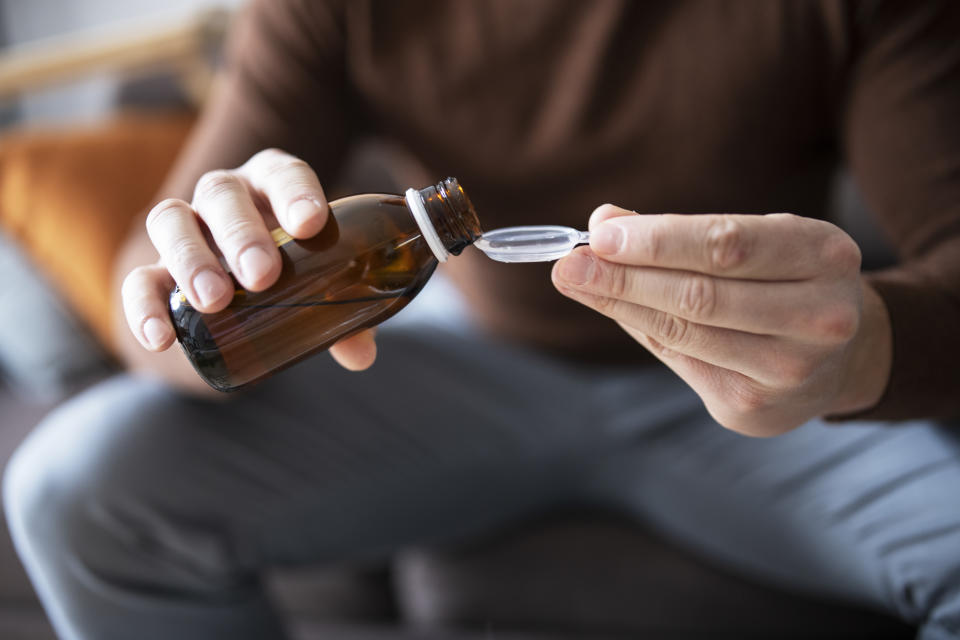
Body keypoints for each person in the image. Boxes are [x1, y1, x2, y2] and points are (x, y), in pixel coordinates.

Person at [5, 1, 960, 638]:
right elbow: (148, 283)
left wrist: (856, 347)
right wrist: (209, 291)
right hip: (471, 362)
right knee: (73, 483)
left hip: (765, 391)